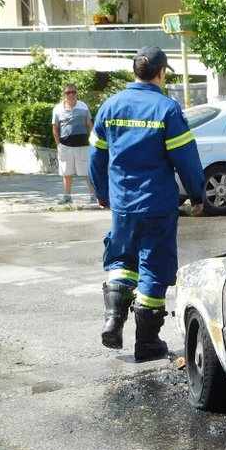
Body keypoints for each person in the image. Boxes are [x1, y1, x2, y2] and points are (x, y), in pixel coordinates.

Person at [89, 46, 206, 361]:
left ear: (134, 72)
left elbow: (96, 157)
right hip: (157, 204)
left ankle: (113, 320)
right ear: (161, 72)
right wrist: (197, 195)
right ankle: (148, 343)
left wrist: (102, 193)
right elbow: (186, 159)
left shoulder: (109, 106)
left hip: (122, 204)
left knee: (122, 262)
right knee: (153, 267)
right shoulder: (167, 109)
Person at [51, 83, 95, 204]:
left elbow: (89, 124)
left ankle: (93, 195)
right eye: (68, 92)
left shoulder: (83, 106)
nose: (71, 94)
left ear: (77, 92)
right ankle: (67, 196)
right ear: (64, 94)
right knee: (66, 172)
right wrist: (58, 144)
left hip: (83, 145)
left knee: (87, 171)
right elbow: (55, 128)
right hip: (65, 145)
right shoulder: (57, 109)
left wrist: (93, 140)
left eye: (73, 92)